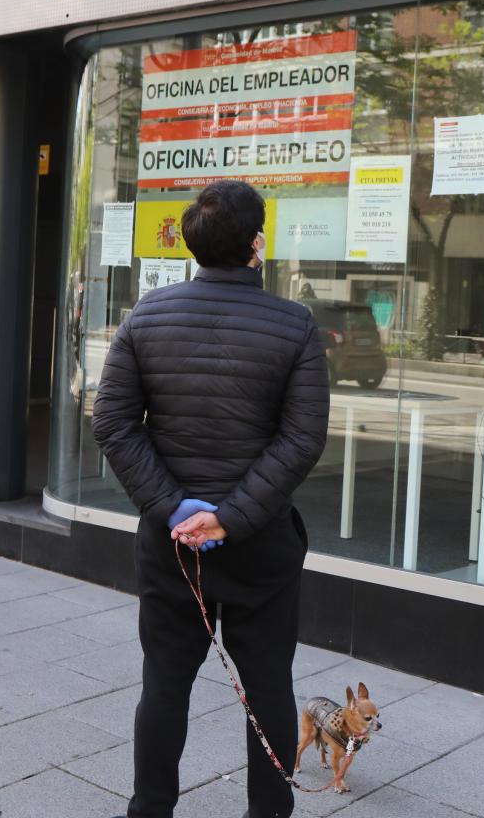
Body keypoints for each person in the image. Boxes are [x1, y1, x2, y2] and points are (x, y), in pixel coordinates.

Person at [92, 179, 328, 818]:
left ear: (195, 245)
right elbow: (302, 439)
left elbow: (113, 422)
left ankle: (150, 809)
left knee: (164, 686)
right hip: (261, 549)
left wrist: (176, 510)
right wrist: (228, 518)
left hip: (173, 550)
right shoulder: (296, 325)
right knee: (268, 691)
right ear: (257, 245)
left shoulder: (146, 316)